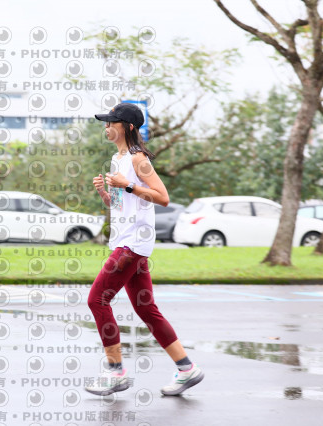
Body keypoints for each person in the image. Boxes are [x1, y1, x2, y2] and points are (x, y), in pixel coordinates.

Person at [84, 102, 204, 397]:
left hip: (132, 244)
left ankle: (115, 372)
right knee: (145, 308)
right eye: (106, 122)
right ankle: (187, 368)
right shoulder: (117, 159)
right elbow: (120, 204)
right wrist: (105, 193)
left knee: (97, 300)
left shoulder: (139, 160)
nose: (106, 126)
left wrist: (127, 185)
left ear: (128, 127)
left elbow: (162, 197)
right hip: (127, 241)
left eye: (111, 122)